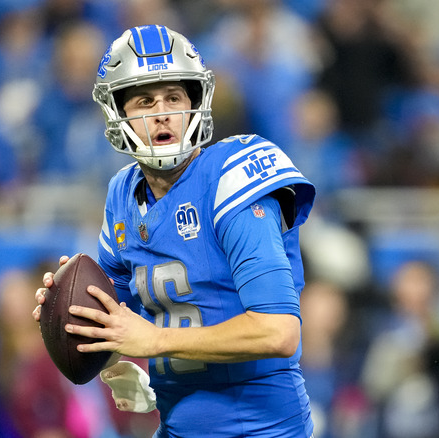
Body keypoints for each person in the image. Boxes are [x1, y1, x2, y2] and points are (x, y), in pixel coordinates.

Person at [33, 24, 316, 437]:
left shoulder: (229, 180)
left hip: (262, 428)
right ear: (118, 112)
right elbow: (121, 322)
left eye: (174, 97)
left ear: (196, 103)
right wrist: (73, 318)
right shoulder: (122, 194)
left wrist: (155, 342)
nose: (163, 112)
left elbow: (278, 331)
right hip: (177, 424)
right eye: (145, 100)